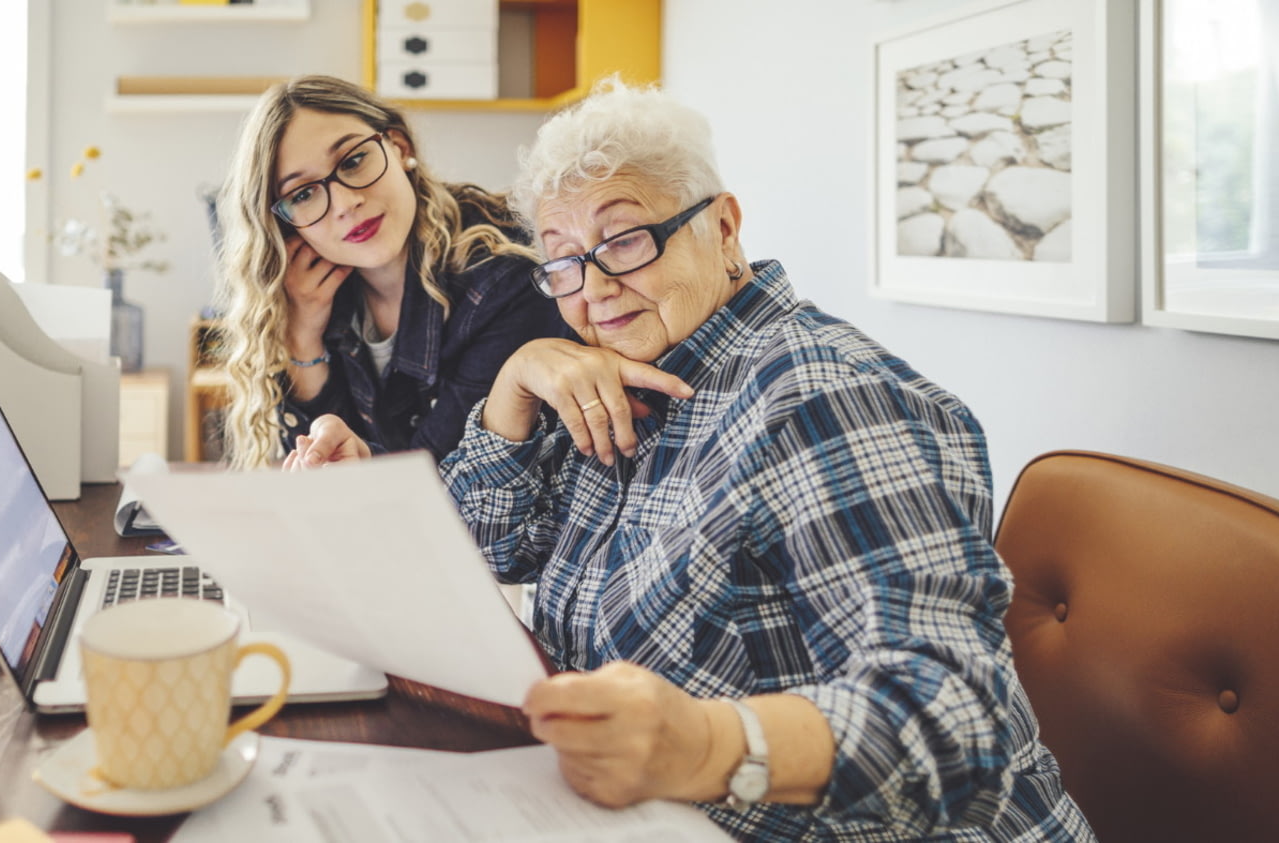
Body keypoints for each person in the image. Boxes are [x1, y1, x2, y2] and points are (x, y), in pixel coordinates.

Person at [296, 78, 1094, 841]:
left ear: (723, 226)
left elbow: (962, 716)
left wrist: (710, 743)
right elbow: (493, 550)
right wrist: (509, 395)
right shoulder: (642, 375)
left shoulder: (818, 394)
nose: (594, 288)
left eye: (625, 239)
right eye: (564, 258)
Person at [212, 75, 568, 469]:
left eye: (353, 161)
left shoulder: (502, 278)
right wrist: (303, 339)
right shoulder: (314, 291)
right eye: (303, 194)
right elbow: (324, 467)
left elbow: (444, 480)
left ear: (399, 149)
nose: (346, 203)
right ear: (284, 224)